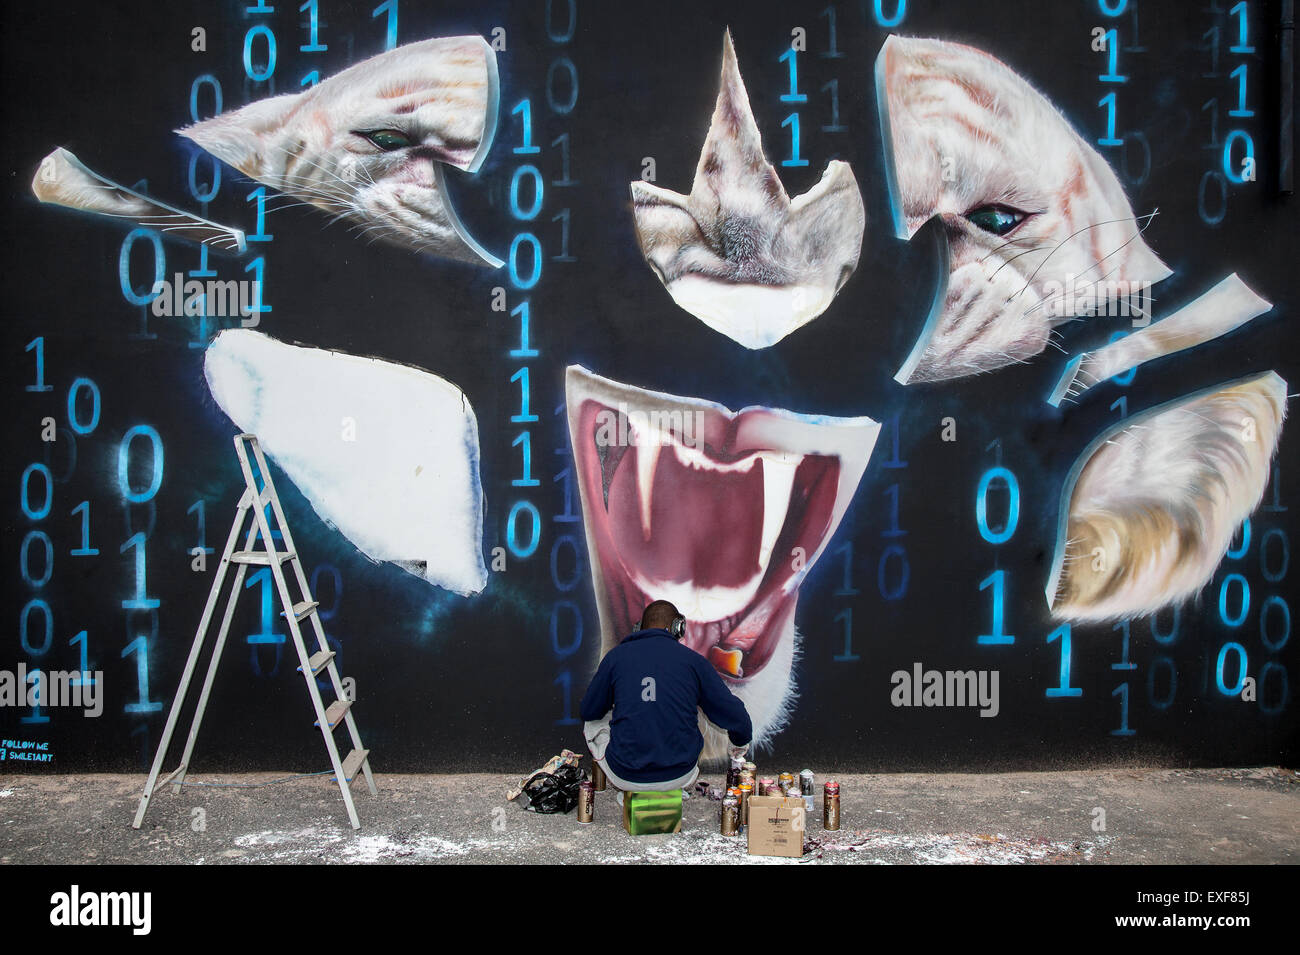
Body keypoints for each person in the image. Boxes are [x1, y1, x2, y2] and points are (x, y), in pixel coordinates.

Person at [580, 599, 752, 799]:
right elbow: (735, 715)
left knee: (595, 720)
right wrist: (739, 741)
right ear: (679, 628)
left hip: (625, 775)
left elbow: (589, 711)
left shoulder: (615, 657)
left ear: (638, 629)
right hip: (680, 774)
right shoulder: (694, 661)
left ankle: (636, 792)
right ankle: (668, 793)